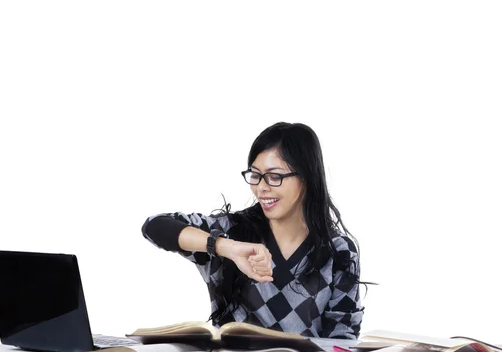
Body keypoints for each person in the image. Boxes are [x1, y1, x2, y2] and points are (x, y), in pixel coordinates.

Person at [141, 122, 369, 339]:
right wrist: (225, 247)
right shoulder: (229, 232)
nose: (261, 187)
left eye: (274, 176)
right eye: (255, 175)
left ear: (306, 178)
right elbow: (155, 226)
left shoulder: (338, 251)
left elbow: (343, 338)